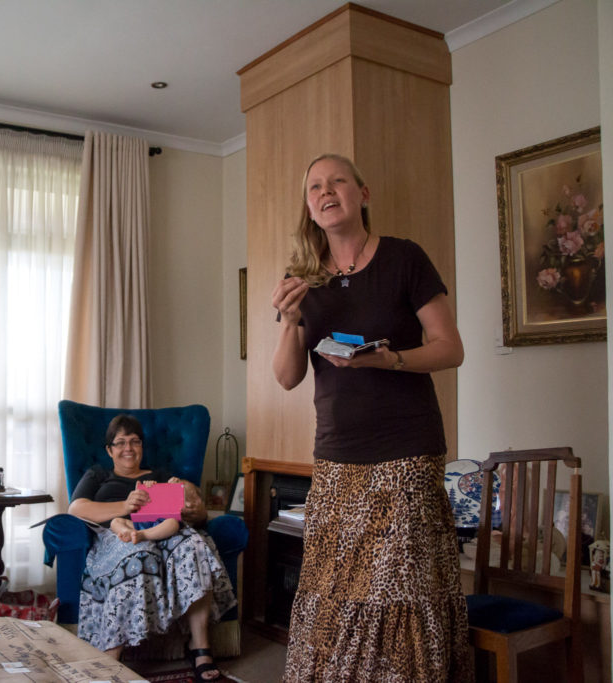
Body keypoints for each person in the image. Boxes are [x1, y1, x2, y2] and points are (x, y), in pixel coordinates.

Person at [270, 153, 471, 681]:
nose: (325, 191)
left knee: (400, 587)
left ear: (364, 193)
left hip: (407, 449)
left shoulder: (405, 259)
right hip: (337, 454)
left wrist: (390, 359)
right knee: (335, 589)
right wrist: (290, 322)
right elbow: (287, 376)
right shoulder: (302, 279)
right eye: (314, 186)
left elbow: (450, 349)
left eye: (338, 180)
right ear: (309, 207)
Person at [68, 414, 235, 683]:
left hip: (165, 532)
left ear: (142, 446)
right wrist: (126, 506)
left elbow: (195, 515)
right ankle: (112, 654)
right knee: (138, 554)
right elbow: (76, 509)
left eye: (134, 441)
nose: (128, 448)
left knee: (194, 545)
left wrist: (195, 510)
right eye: (120, 442)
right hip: (118, 535)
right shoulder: (98, 474)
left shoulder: (159, 476)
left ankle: (200, 647)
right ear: (109, 449)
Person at [109, 478, 192, 544]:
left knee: (173, 523)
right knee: (115, 521)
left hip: (161, 523)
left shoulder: (178, 495)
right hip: (142, 522)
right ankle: (129, 533)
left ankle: (143, 535)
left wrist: (175, 488)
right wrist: (148, 488)